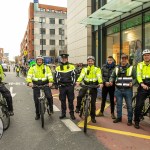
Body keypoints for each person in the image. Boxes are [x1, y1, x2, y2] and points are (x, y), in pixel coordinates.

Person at [109, 54, 136, 126]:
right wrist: (111, 81)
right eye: (122, 59)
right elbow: (112, 76)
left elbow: (135, 78)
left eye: (125, 59)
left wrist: (132, 83)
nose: (123, 60)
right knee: (119, 105)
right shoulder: (117, 68)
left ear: (127, 60)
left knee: (129, 106)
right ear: (120, 59)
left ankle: (129, 120)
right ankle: (119, 117)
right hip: (118, 89)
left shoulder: (132, 68)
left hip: (128, 90)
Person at [75, 56, 103, 123]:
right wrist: (78, 81)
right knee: (79, 96)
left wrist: (100, 83)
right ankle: (78, 107)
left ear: (94, 62)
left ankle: (93, 117)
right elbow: (81, 76)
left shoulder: (97, 69)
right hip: (86, 85)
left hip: (93, 86)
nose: (90, 62)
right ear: (87, 62)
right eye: (89, 61)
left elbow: (99, 76)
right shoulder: (84, 69)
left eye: (91, 61)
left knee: (93, 103)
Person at [26, 55, 54, 120]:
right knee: (36, 101)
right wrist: (29, 82)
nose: (39, 61)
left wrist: (50, 82)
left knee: (49, 96)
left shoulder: (46, 67)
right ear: (36, 61)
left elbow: (50, 75)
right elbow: (29, 75)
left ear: (42, 61)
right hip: (36, 85)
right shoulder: (32, 67)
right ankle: (37, 114)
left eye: (40, 60)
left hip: (45, 84)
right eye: (38, 60)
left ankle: (51, 109)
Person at [55, 54, 76, 120]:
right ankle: (63, 114)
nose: (64, 59)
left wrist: (73, 84)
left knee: (71, 100)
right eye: (63, 58)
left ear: (67, 59)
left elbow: (74, 75)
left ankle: (72, 114)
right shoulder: (58, 67)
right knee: (62, 101)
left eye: (65, 58)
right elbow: (56, 76)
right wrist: (56, 84)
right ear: (61, 59)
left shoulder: (71, 66)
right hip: (62, 87)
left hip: (70, 86)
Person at [134, 49, 150, 129]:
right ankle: (136, 121)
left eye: (148, 55)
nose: (146, 56)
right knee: (139, 104)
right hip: (143, 85)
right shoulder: (139, 65)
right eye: (145, 55)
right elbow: (138, 75)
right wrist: (142, 84)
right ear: (143, 57)